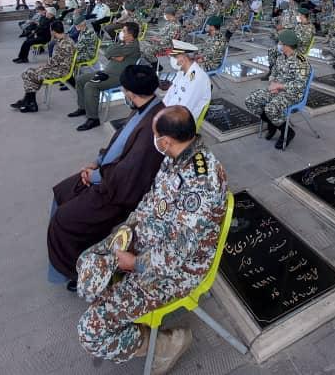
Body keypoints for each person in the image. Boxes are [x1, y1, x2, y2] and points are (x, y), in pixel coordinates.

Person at [75, 106, 227, 373]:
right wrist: (128, 229)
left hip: (177, 270)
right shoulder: (175, 155)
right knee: (86, 263)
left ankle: (167, 345)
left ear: (166, 141)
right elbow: (152, 200)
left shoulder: (202, 181)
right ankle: (113, 300)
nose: (154, 140)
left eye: (156, 136)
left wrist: (135, 263)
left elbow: (178, 252)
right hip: (148, 240)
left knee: (91, 333)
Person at [48, 65, 165, 288]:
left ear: (130, 93)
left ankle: (78, 273)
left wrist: (94, 176)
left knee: (63, 220)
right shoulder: (145, 106)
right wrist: (97, 161)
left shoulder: (152, 125)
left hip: (116, 193)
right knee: (61, 192)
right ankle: (80, 256)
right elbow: (119, 142)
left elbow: (128, 174)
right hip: (105, 175)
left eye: (124, 90)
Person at [245, 29, 310, 150]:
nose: (278, 45)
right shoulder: (281, 57)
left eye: (280, 43)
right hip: (276, 89)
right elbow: (273, 72)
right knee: (251, 100)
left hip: (292, 94)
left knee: (270, 108)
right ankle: (273, 123)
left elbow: (300, 85)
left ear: (287, 45)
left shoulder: (301, 62)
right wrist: (273, 83)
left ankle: (287, 132)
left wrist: (279, 86)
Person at [69, 21, 141, 130]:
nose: (121, 32)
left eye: (124, 31)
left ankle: (93, 118)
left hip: (118, 76)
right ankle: (83, 107)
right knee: (80, 79)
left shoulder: (133, 46)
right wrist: (116, 54)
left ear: (130, 35)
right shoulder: (123, 43)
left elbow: (113, 54)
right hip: (107, 72)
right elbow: (108, 52)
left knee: (91, 86)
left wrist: (115, 55)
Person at [11, 21, 74, 113]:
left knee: (28, 74)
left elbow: (55, 62)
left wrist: (43, 67)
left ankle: (30, 103)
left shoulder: (64, 44)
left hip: (60, 71)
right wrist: (44, 67)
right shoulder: (64, 39)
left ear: (53, 31)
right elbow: (56, 60)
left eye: (50, 30)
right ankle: (29, 101)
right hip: (58, 68)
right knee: (29, 72)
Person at [161, 40, 212, 120]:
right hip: (170, 113)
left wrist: (162, 117)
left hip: (181, 120)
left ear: (184, 57)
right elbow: (169, 95)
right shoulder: (181, 73)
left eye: (175, 57)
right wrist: (160, 110)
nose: (172, 60)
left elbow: (184, 108)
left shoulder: (198, 78)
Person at [265, 6, 312, 79]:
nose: (297, 16)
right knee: (273, 48)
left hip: (298, 48)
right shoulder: (300, 24)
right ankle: (273, 72)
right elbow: (293, 32)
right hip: (293, 45)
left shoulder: (308, 28)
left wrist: (286, 41)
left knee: (274, 51)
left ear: (302, 16)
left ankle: (275, 72)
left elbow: (301, 41)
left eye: (299, 15)